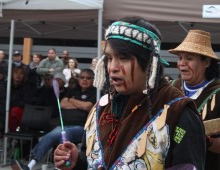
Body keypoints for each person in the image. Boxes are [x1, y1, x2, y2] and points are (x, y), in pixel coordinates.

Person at [53, 17, 206, 170]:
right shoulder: (102, 107)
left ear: (149, 62)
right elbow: (92, 161)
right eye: (109, 58)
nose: (113, 67)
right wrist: (76, 163)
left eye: (123, 58)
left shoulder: (178, 112)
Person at [12, 69, 96, 170]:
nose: (84, 80)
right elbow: (63, 104)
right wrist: (80, 105)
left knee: (65, 133)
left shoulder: (95, 92)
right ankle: (30, 165)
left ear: (92, 80)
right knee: (49, 136)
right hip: (64, 125)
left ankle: (61, 167)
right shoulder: (73, 90)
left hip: (82, 128)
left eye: (88, 78)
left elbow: (87, 106)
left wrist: (71, 100)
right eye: (82, 77)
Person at [169, 29, 220, 170]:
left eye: (189, 58)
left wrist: (206, 141)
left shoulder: (218, 93)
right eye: (180, 58)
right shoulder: (171, 89)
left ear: (207, 62)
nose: (182, 63)